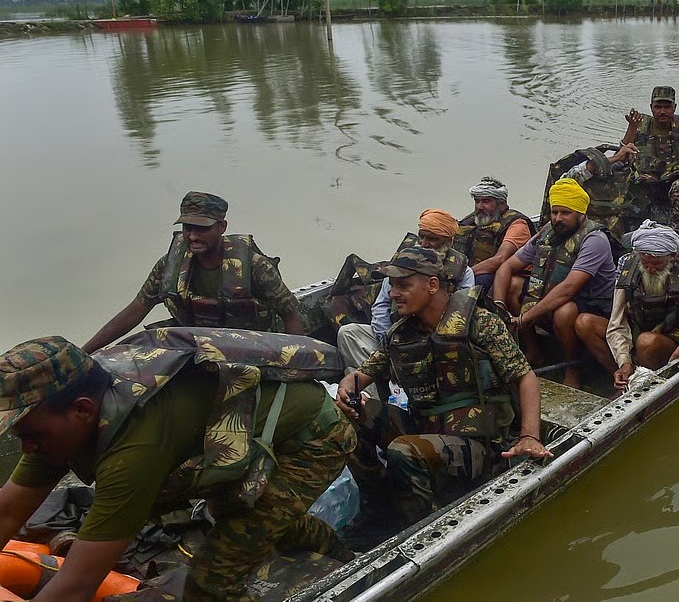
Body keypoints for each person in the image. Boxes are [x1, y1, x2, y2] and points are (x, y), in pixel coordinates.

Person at [0, 329, 355, 602]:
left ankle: (348, 566)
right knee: (258, 519)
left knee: (210, 582)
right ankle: (342, 555)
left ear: (82, 409)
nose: (27, 448)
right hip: (245, 436)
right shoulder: (61, 424)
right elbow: (7, 512)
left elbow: (76, 586)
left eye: (32, 435)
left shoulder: (132, 451)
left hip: (311, 439)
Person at [335, 247, 551, 529]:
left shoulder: (480, 324)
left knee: (403, 450)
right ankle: (377, 506)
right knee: (343, 419)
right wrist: (347, 390)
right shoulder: (401, 335)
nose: (393, 294)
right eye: (392, 286)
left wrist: (529, 437)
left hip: (481, 446)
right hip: (425, 432)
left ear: (432, 285)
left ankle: (421, 527)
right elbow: (360, 375)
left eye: (403, 285)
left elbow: (525, 378)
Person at [83, 191, 304, 353]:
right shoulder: (168, 267)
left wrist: (292, 362)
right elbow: (134, 312)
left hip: (251, 349)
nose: (193, 236)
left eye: (202, 228)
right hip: (196, 349)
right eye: (187, 228)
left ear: (222, 227)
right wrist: (85, 352)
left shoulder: (256, 267)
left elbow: (291, 316)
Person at [335, 208, 475, 399]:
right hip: (397, 335)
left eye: (432, 239)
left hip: (438, 340)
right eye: (422, 237)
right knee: (348, 333)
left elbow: (464, 311)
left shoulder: (462, 271)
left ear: (449, 241)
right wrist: (389, 341)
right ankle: (374, 398)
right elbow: (381, 307)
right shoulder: (403, 265)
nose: (424, 244)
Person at [493, 178, 619, 389]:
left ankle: (572, 369)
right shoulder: (547, 232)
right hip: (554, 298)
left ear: (581, 213)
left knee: (564, 310)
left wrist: (523, 319)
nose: (558, 218)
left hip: (591, 309)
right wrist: (499, 306)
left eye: (565, 213)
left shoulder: (594, 239)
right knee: (513, 285)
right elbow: (507, 266)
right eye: (554, 212)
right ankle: (533, 350)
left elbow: (569, 288)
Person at [608, 220, 679, 392]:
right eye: (645, 263)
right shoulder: (626, 264)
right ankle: (628, 380)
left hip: (676, 339)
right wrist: (624, 361)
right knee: (586, 323)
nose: (650, 269)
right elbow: (617, 321)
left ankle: (648, 390)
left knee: (646, 341)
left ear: (672, 256)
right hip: (638, 332)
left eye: (657, 264)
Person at [620, 86, 679, 234]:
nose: (662, 111)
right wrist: (632, 128)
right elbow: (621, 154)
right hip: (646, 182)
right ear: (651, 108)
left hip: (676, 181)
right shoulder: (638, 127)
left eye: (667, 107)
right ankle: (626, 231)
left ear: (674, 107)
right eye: (658, 107)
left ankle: (677, 234)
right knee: (624, 186)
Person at [455, 176, 534, 292]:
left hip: (499, 277)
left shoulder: (517, 224)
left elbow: (500, 259)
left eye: (486, 201)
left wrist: (465, 275)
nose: (480, 207)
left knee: (481, 282)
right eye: (477, 201)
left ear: (502, 204)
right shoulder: (471, 220)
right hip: (469, 271)